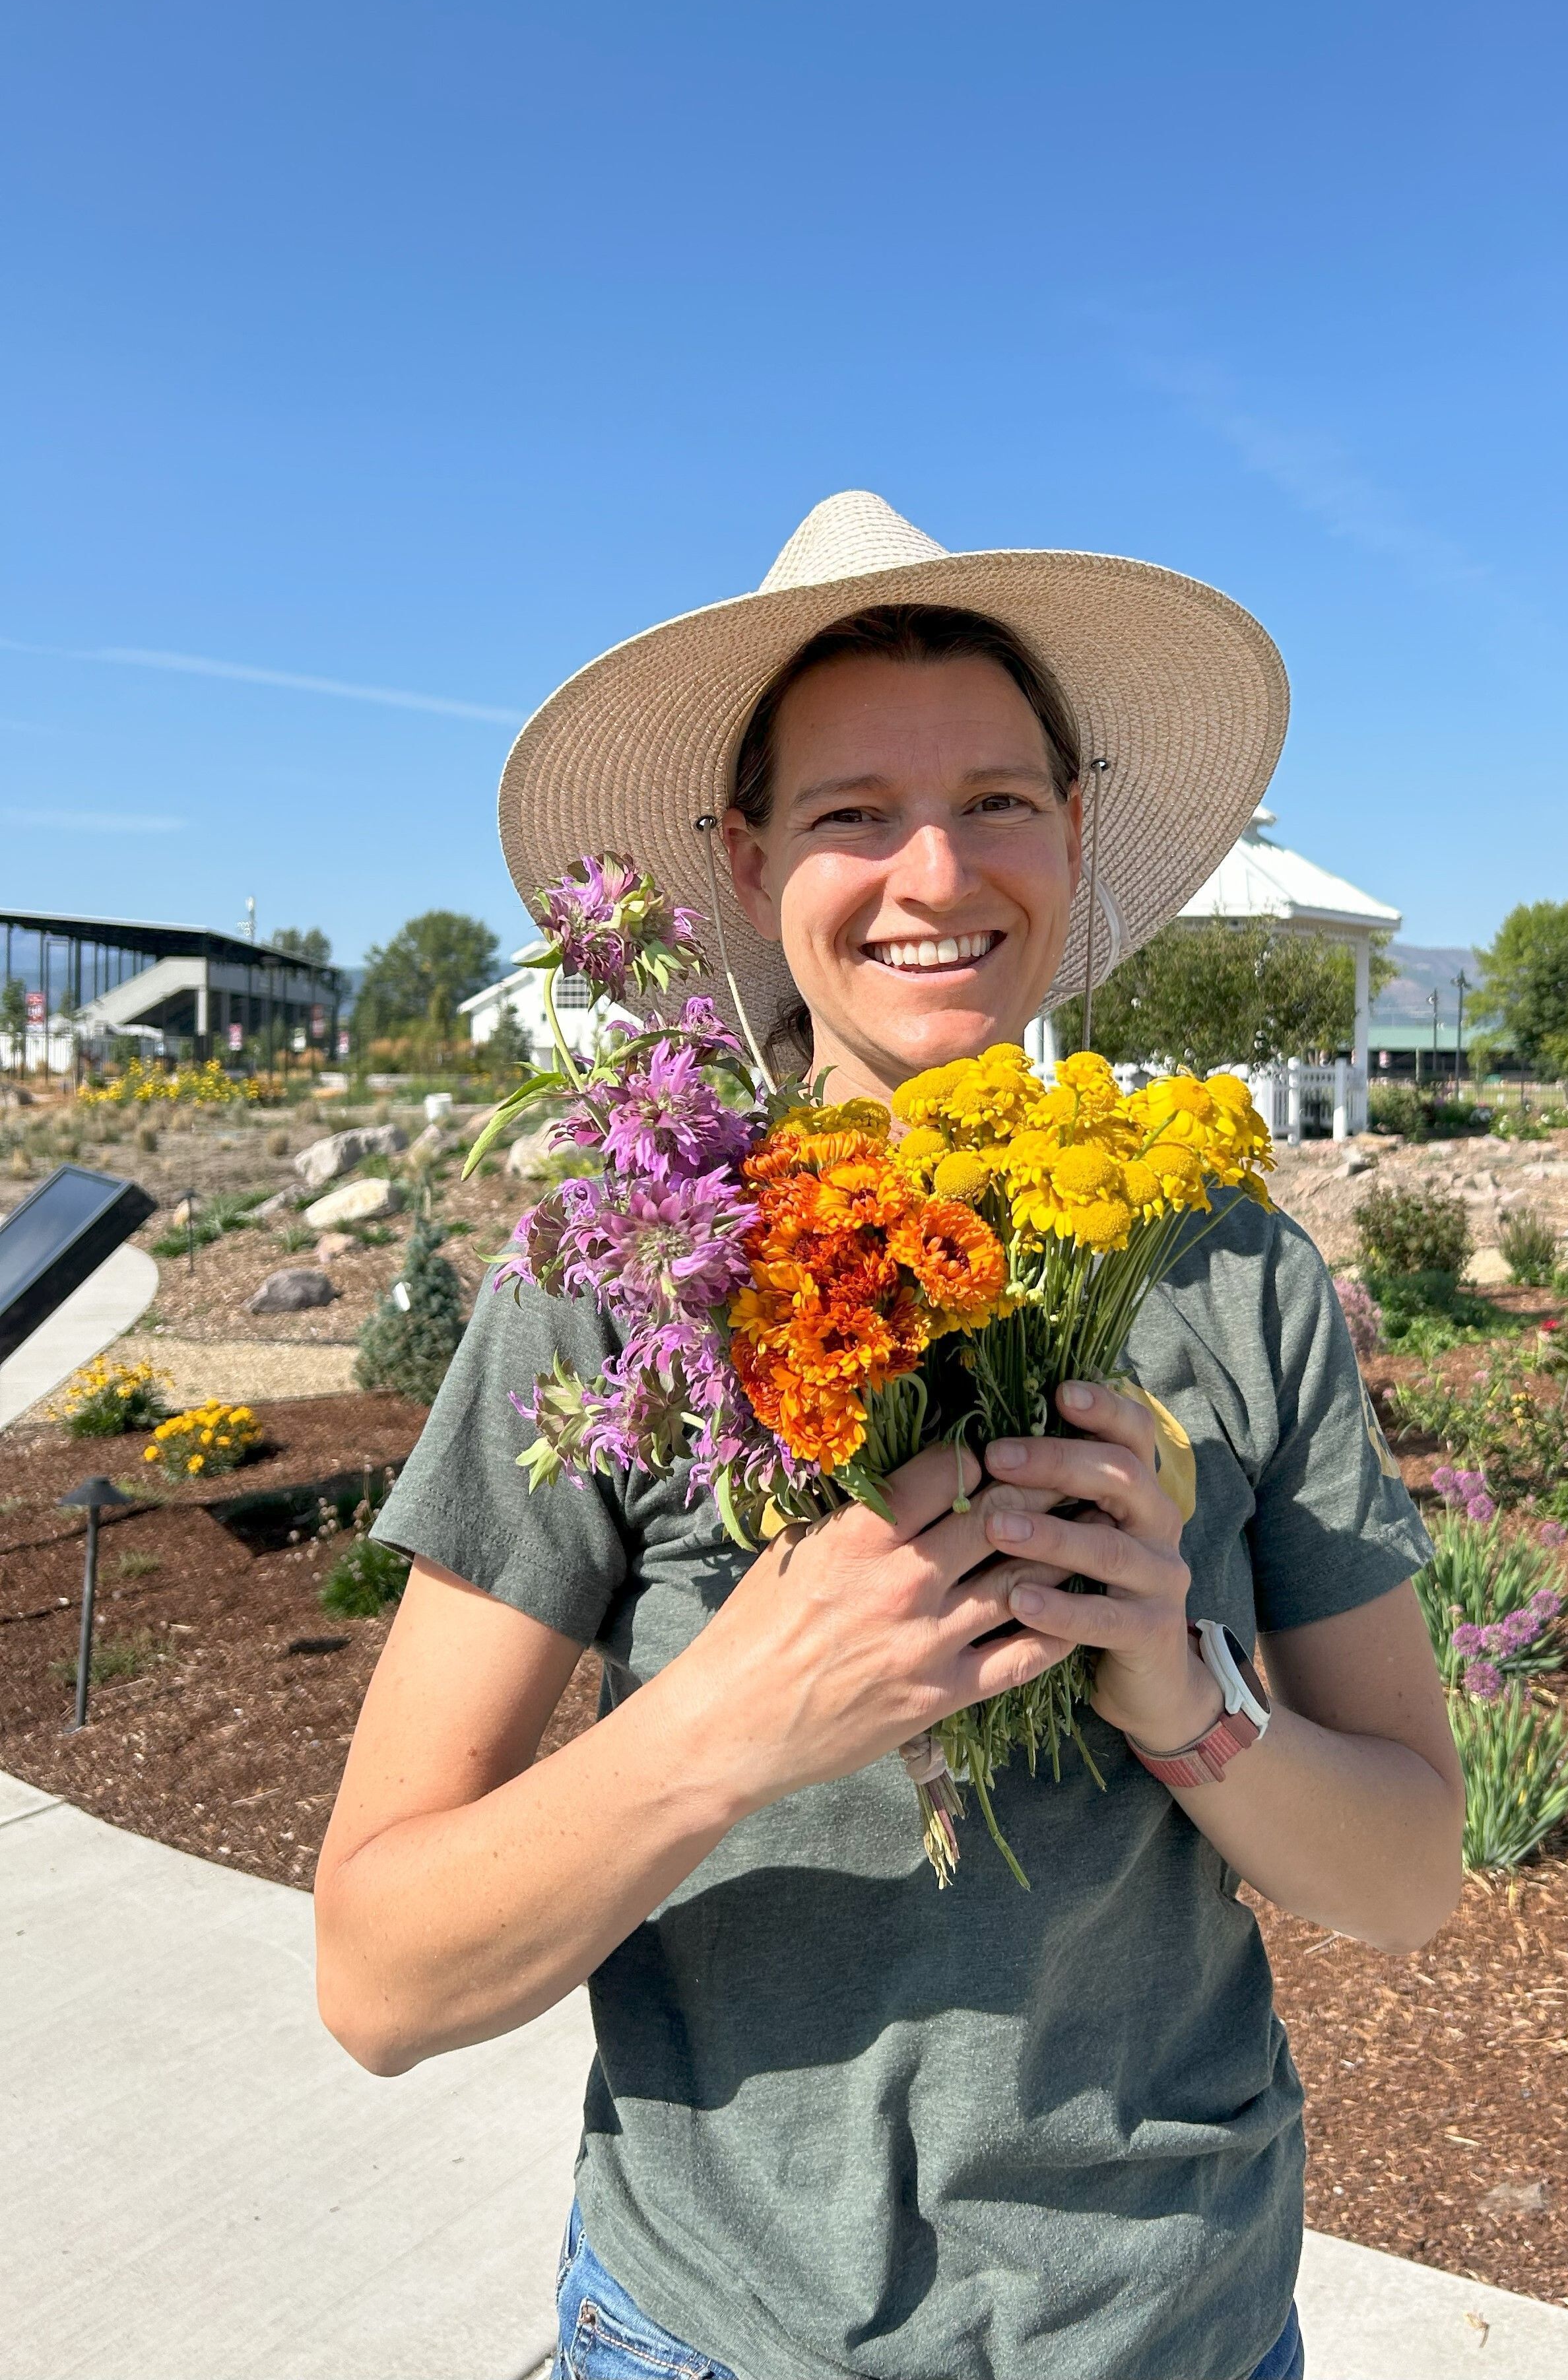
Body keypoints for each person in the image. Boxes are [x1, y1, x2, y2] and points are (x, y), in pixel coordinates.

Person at [316, 491, 1462, 2380]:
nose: (935, 873)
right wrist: (728, 1724)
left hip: (1179, 2329)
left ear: (1075, 835)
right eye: (854, 813)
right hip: (720, 2336)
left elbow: (1409, 1874)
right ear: (749, 858)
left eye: (999, 800)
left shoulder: (1234, 1267)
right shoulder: (635, 1280)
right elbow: (378, 1977)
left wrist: (1184, 1691)